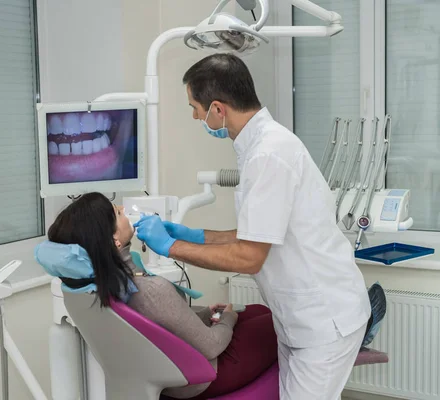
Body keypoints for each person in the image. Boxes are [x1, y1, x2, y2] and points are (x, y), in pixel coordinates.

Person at [134, 53, 372, 400]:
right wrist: (194, 235)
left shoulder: (268, 155)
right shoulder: (259, 147)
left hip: (323, 320)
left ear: (218, 108)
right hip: (299, 317)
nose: (194, 116)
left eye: (195, 107)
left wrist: (172, 248)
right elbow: (257, 233)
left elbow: (249, 257)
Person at [44, 192, 278, 399]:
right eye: (117, 212)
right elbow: (211, 346)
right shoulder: (150, 290)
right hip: (200, 378)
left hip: (163, 374)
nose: (124, 209)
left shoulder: (100, 286)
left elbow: (161, 327)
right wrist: (228, 318)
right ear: (115, 240)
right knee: (273, 320)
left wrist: (207, 314)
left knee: (255, 311)